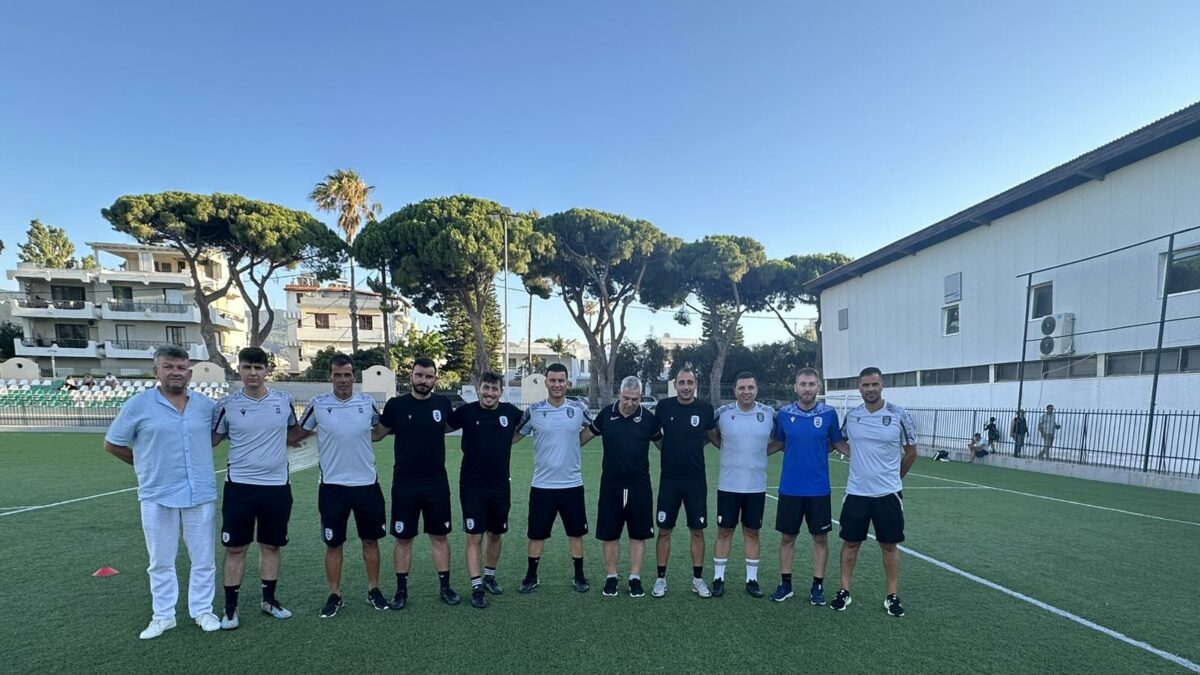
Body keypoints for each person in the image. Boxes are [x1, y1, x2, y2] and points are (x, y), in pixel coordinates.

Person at [103, 344, 221, 639]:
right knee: (160, 561)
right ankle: (163, 616)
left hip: (199, 492)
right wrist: (143, 464)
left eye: (181, 367)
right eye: (168, 366)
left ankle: (202, 610)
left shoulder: (206, 406)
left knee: (204, 559)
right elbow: (112, 443)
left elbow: (217, 436)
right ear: (156, 371)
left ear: (189, 374)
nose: (175, 372)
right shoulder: (139, 405)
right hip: (157, 493)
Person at [289, 354, 390, 618]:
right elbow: (297, 433)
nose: (343, 380)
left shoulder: (366, 403)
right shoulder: (318, 404)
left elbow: (379, 432)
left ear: (353, 376)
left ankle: (373, 589)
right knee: (334, 543)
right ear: (330, 376)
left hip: (367, 484)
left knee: (370, 540)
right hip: (332, 487)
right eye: (338, 375)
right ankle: (335, 594)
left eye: (347, 375)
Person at [212, 347, 297, 629]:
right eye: (247, 367)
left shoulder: (283, 400)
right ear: (239, 369)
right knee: (236, 547)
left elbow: (294, 433)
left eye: (258, 367)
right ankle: (230, 609)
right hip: (240, 487)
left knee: (271, 545)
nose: (253, 373)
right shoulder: (227, 404)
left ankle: (269, 600)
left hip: (276, 486)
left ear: (267, 371)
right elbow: (212, 439)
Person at [831, 367, 918, 617]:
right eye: (866, 385)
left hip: (887, 494)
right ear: (859, 387)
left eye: (874, 384)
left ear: (882, 386)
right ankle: (844, 591)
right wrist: (855, 455)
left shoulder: (898, 414)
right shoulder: (853, 415)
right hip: (856, 492)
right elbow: (839, 441)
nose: (870, 389)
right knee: (850, 543)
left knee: (889, 546)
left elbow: (911, 452)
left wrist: (895, 478)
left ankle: (892, 595)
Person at [373, 357, 459, 608]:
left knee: (440, 537)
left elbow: (447, 427)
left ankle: (445, 587)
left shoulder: (442, 403)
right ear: (411, 376)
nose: (423, 380)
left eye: (429, 376)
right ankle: (401, 591)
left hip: (436, 484)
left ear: (435, 379)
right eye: (419, 375)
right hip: (405, 485)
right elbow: (377, 435)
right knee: (403, 539)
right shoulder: (396, 405)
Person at [511, 363, 593, 594]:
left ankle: (579, 576)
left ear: (568, 383)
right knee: (536, 534)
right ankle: (531, 576)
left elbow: (594, 428)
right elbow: (515, 435)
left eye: (561, 380)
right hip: (542, 485)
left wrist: (575, 443)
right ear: (546, 382)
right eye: (553, 380)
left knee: (576, 533)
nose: (557, 384)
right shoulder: (534, 410)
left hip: (572, 484)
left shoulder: (579, 408)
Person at [446, 371, 522, 609]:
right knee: (474, 535)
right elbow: (440, 427)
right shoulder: (466, 412)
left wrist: (506, 441)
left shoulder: (510, 412)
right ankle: (476, 585)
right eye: (486, 388)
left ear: (501, 391)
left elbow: (529, 425)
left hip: (500, 485)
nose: (490, 393)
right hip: (472, 486)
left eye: (494, 389)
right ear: (479, 388)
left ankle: (489, 576)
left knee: (496, 533)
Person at [771, 368, 847, 606]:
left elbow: (837, 443)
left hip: (818, 489)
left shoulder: (829, 414)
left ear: (818, 388)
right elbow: (778, 443)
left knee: (820, 539)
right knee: (787, 538)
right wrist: (745, 452)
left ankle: (818, 585)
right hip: (790, 488)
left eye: (811, 384)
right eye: (803, 384)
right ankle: (786, 584)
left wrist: (865, 457)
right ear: (795, 387)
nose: (807, 388)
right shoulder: (784, 414)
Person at [581, 376, 662, 598]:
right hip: (611, 487)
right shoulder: (606, 414)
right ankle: (611, 577)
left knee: (638, 535)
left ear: (640, 397)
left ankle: (635, 578)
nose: (630, 403)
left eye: (635, 399)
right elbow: (583, 437)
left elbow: (664, 446)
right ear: (619, 393)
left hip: (639, 487)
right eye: (626, 398)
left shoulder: (649, 419)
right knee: (610, 536)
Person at [649, 367, 717, 599]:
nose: (686, 387)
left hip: (696, 481)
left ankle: (697, 579)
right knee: (664, 530)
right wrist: (668, 449)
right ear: (675, 384)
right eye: (682, 382)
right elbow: (655, 435)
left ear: (695, 384)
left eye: (690, 382)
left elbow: (711, 437)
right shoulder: (664, 407)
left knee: (697, 531)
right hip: (670, 480)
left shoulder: (705, 408)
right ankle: (660, 579)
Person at [710, 371, 779, 598]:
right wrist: (727, 448)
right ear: (735, 390)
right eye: (742, 388)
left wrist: (761, 452)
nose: (746, 392)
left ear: (757, 389)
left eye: (750, 388)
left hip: (756, 487)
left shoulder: (769, 414)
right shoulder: (723, 413)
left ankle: (752, 580)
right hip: (728, 485)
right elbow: (712, 435)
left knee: (752, 532)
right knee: (724, 531)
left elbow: (780, 440)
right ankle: (718, 578)